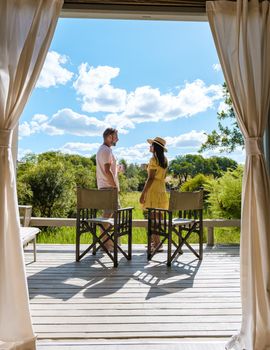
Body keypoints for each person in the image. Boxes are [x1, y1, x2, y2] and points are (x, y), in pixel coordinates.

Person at [140, 137, 169, 252]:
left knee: (152, 219)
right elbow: (162, 176)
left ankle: (157, 244)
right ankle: (156, 242)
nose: (150, 146)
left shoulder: (153, 160)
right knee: (159, 218)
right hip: (162, 189)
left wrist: (143, 193)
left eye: (151, 145)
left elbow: (151, 178)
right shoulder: (165, 160)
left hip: (152, 190)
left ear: (155, 147)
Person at [96, 128, 119, 252]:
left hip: (105, 187)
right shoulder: (106, 150)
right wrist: (115, 186)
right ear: (110, 136)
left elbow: (108, 169)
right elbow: (107, 170)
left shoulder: (102, 150)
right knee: (109, 218)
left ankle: (108, 244)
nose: (118, 139)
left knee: (109, 217)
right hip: (109, 188)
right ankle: (106, 245)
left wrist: (117, 169)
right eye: (116, 136)